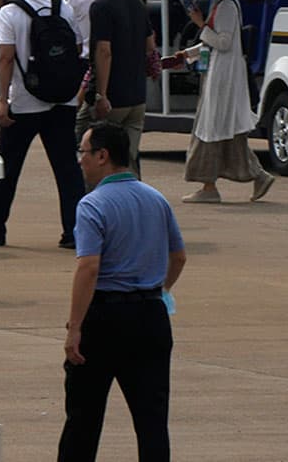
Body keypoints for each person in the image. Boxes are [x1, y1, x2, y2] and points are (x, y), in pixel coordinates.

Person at [59, 123, 184, 462]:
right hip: (150, 316)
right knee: (152, 422)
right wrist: (162, 288)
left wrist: (75, 327)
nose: (80, 161)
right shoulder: (156, 199)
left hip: (105, 318)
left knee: (83, 420)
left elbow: (89, 267)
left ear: (103, 156)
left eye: (84, 153)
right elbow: (179, 256)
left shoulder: (92, 205)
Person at [0, 0, 90, 247]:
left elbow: (5, 57)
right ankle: (74, 232)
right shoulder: (62, 6)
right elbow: (76, 47)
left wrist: (2, 100)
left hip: (25, 100)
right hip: (62, 100)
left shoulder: (10, 12)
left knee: (7, 166)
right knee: (68, 169)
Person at [175, 0, 276, 204]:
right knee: (224, 130)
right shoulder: (224, 3)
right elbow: (214, 42)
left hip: (224, 76)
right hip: (221, 72)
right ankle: (255, 175)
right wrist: (189, 54)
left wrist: (200, 23)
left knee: (213, 127)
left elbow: (223, 41)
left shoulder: (228, 6)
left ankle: (210, 186)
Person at [75, 0, 155, 177]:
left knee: (93, 145)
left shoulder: (101, 5)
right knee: (128, 157)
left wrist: (101, 94)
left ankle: (99, 199)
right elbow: (150, 45)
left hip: (114, 95)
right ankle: (136, 199)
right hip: (137, 94)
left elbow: (104, 51)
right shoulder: (135, 1)